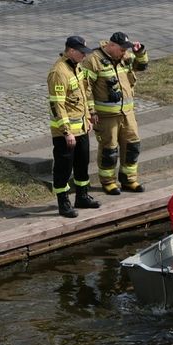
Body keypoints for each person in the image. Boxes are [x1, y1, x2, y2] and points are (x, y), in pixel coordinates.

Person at [82, 31, 149, 195]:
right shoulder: (93, 60)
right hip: (106, 117)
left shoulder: (124, 56)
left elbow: (141, 66)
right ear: (111, 46)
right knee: (109, 150)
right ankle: (108, 182)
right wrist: (91, 111)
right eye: (122, 49)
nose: (124, 52)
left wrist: (140, 52)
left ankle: (129, 179)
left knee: (132, 146)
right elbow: (86, 88)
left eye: (126, 49)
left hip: (127, 113)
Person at [47, 36, 101, 218]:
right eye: (81, 53)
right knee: (64, 167)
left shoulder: (77, 67)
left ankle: (82, 196)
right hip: (66, 132)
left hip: (82, 127)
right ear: (70, 51)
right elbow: (57, 105)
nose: (84, 57)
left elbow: (85, 93)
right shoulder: (59, 72)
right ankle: (63, 203)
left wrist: (90, 114)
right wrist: (66, 132)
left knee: (82, 164)